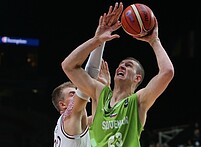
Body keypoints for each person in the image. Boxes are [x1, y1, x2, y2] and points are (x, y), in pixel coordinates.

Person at [61, 2, 174, 146]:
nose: (122, 66)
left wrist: (154, 40)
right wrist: (97, 40)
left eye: (128, 66)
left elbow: (167, 72)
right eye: (120, 64)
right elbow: (68, 66)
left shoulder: (138, 101)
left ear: (137, 78)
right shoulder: (99, 93)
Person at [52, 3, 122, 147]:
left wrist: (105, 87)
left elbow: (101, 120)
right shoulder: (70, 116)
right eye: (72, 93)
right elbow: (89, 74)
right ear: (62, 105)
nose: (78, 92)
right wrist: (99, 40)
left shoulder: (78, 121)